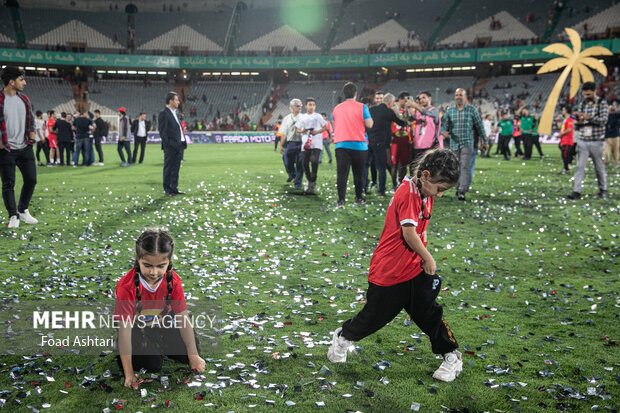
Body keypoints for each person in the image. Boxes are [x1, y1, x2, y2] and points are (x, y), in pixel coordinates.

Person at [327, 149, 463, 382]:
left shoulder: (425, 192)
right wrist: (428, 257)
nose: (439, 195)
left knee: (429, 313)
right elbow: (409, 234)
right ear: (426, 175)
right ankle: (342, 337)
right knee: (373, 317)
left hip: (413, 270)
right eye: (440, 189)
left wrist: (421, 258)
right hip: (389, 271)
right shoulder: (408, 194)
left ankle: (452, 356)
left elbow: (422, 229)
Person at [114, 229, 206, 388]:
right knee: (153, 364)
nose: (154, 272)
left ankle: (159, 341)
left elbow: (183, 318)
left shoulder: (174, 281)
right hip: (135, 329)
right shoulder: (126, 286)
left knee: (188, 354)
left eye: (161, 266)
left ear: (169, 262)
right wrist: (129, 373)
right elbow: (125, 331)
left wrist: (193, 355)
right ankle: (129, 351)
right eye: (147, 265)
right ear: (138, 260)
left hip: (163, 324)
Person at [0, 66, 38, 229]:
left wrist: (32, 134)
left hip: (25, 147)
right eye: (21, 79)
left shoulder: (24, 99)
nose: (25, 82)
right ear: (11, 82)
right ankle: (13, 215)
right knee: (9, 183)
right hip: (6, 149)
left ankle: (23, 210)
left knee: (31, 179)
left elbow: (31, 119)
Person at [441, 88, 487, 200]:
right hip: (454, 143)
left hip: (467, 143)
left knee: (465, 166)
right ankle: (458, 187)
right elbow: (444, 125)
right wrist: (444, 132)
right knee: (455, 167)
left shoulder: (472, 110)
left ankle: (462, 190)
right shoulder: (450, 111)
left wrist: (484, 141)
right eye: (456, 95)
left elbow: (480, 126)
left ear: (465, 97)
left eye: (460, 95)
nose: (458, 97)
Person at [332, 82, 373, 207]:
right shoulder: (362, 107)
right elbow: (369, 124)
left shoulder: (336, 108)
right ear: (356, 94)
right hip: (359, 145)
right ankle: (358, 198)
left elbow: (335, 125)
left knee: (342, 174)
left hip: (341, 144)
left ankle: (341, 200)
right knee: (359, 174)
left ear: (344, 94)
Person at [567, 82, 609, 199]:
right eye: (584, 95)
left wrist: (588, 118)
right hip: (583, 139)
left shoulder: (602, 103)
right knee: (580, 166)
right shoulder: (583, 104)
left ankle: (603, 189)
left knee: (598, 166)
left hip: (597, 140)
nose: (586, 97)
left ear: (594, 91)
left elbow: (604, 120)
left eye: (588, 94)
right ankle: (576, 191)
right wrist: (579, 122)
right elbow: (578, 123)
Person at [367, 93, 409, 197]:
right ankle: (381, 191)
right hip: (381, 143)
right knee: (382, 167)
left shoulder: (371, 109)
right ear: (390, 102)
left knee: (366, 166)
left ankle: (363, 189)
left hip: (369, 142)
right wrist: (398, 114)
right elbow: (402, 123)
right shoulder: (388, 111)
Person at [296, 98, 327, 194]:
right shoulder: (302, 117)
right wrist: (303, 130)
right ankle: (309, 180)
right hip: (306, 144)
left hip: (316, 143)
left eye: (313, 104)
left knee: (314, 161)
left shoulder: (318, 116)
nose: (312, 106)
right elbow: (297, 129)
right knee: (304, 163)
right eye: (310, 104)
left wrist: (316, 132)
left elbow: (325, 127)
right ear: (306, 106)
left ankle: (312, 182)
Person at [158, 92, 186, 196]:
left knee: (176, 168)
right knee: (169, 167)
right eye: (176, 100)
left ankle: (174, 188)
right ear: (171, 101)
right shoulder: (164, 113)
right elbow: (163, 132)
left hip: (179, 145)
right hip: (171, 146)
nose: (178, 102)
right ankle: (167, 189)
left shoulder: (175, 113)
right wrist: (169, 144)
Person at [409, 91, 442, 164]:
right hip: (418, 145)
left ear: (429, 98)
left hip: (430, 145)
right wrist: (407, 109)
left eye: (424, 98)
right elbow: (409, 119)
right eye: (420, 98)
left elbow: (426, 112)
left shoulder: (434, 110)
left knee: (430, 167)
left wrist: (415, 106)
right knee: (418, 168)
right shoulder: (418, 112)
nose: (421, 100)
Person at [279, 99, 303, 189]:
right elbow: (283, 133)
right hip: (290, 143)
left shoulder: (304, 117)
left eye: (300, 106)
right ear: (292, 107)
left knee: (300, 164)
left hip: (301, 143)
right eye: (298, 106)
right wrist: (281, 145)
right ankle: (293, 174)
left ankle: (298, 183)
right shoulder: (287, 118)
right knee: (287, 161)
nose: (300, 107)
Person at [390, 92, 412, 190]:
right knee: (394, 163)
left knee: (404, 163)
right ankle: (394, 184)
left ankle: (401, 183)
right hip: (394, 139)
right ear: (400, 99)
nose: (407, 102)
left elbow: (411, 124)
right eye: (405, 100)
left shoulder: (409, 111)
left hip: (405, 140)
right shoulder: (393, 110)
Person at [558, 106, 575, 175]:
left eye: (563, 110)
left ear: (566, 111)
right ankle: (566, 169)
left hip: (567, 141)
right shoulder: (565, 119)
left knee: (565, 155)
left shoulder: (570, 119)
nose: (562, 111)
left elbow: (569, 129)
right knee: (564, 155)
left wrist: (561, 134)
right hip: (564, 140)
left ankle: (566, 170)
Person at [603, 104, 619, 168]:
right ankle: (606, 162)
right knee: (606, 152)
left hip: (616, 136)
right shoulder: (606, 116)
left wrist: (615, 110)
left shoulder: (616, 115)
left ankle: (615, 163)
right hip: (607, 137)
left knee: (615, 152)